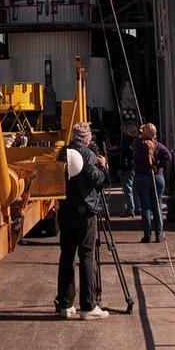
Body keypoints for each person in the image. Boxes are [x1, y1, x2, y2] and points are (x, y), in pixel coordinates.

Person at [55, 121, 110, 320]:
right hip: (85, 211)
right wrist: (103, 167)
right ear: (87, 138)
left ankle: (65, 304)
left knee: (66, 256)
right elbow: (97, 180)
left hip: (65, 210)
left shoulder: (62, 153)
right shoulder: (88, 155)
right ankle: (88, 306)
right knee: (87, 256)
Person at [132, 122, 172, 242]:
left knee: (146, 207)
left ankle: (147, 235)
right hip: (157, 177)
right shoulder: (158, 145)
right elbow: (168, 156)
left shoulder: (137, 144)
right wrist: (158, 166)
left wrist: (141, 133)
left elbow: (135, 144)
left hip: (142, 177)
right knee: (157, 206)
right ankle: (159, 235)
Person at [119, 121, 140, 217]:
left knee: (127, 187)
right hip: (137, 166)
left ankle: (130, 209)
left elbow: (125, 157)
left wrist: (122, 168)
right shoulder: (138, 141)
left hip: (129, 167)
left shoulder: (127, 142)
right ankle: (138, 207)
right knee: (135, 187)